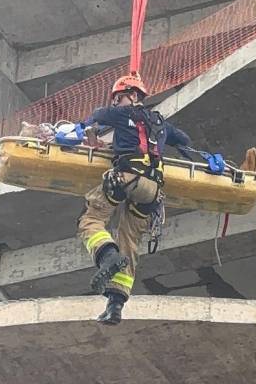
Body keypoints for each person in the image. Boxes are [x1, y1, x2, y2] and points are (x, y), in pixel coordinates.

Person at [77, 74, 191, 324]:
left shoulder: (117, 114)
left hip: (125, 178)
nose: (116, 102)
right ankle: (115, 306)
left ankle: (107, 256)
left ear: (129, 96)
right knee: (129, 240)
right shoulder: (160, 122)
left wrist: (82, 128)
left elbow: (94, 118)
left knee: (91, 220)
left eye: (118, 98)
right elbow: (184, 140)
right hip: (152, 191)